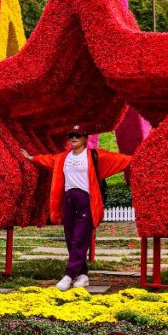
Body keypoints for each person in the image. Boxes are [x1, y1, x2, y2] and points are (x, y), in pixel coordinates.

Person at [23, 124, 131, 290]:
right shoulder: (63, 158)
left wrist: (140, 157)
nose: (73, 138)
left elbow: (121, 160)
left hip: (85, 200)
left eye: (77, 136)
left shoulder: (94, 156)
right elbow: (48, 159)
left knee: (80, 237)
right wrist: (31, 158)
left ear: (85, 139)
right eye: (71, 135)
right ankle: (82, 275)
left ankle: (69, 274)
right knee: (70, 238)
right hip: (68, 199)